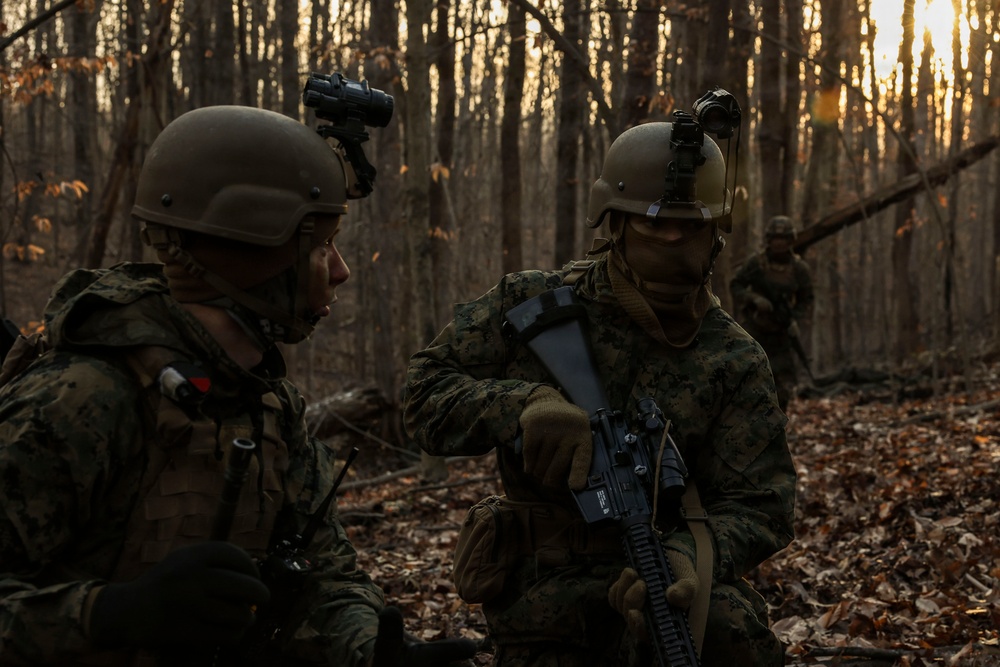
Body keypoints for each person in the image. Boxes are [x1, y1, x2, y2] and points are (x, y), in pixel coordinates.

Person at [0, 105, 475, 667]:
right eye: (322, 246)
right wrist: (110, 613)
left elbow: (325, 576)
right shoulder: (79, 401)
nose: (342, 270)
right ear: (256, 255)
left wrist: (372, 649)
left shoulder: (267, 403)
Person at [403, 116, 796, 666]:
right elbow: (420, 397)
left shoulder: (733, 357)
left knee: (731, 636)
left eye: (691, 228)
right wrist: (521, 407)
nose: (673, 240)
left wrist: (687, 556)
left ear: (717, 232)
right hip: (544, 595)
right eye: (653, 225)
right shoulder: (532, 305)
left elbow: (764, 504)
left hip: (665, 582)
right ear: (613, 221)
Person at [729, 215, 814, 412]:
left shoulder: (799, 268)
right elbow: (736, 284)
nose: (779, 244)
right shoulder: (756, 264)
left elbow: (806, 298)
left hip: (781, 332)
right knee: (746, 379)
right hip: (754, 330)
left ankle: (776, 424)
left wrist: (794, 318)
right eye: (775, 239)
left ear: (791, 240)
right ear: (768, 240)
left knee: (782, 386)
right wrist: (754, 299)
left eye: (783, 239)